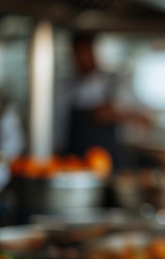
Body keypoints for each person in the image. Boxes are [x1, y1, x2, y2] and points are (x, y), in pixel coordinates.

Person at [56, 32, 152, 173]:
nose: (82, 57)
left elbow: (147, 118)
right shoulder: (64, 88)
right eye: (77, 52)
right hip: (74, 165)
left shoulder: (115, 82)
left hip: (111, 165)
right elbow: (57, 131)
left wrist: (116, 114)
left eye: (86, 51)